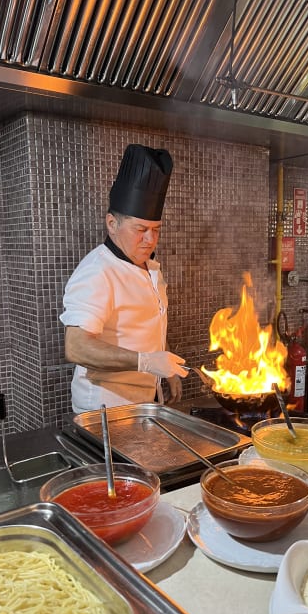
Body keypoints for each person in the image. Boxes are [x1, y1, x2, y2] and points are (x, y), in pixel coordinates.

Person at [60, 143, 188, 413]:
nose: (150, 239)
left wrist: (167, 370)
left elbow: (149, 324)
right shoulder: (97, 271)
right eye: (140, 229)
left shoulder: (149, 267)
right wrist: (146, 362)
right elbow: (76, 347)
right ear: (112, 224)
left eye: (156, 229)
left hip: (144, 400)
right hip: (105, 408)